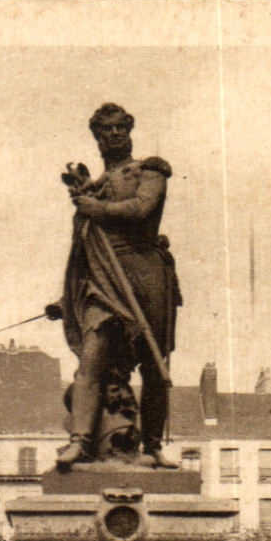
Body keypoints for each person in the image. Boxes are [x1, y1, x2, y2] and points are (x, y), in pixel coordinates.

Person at [48, 103, 181, 468]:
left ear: (130, 130)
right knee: (92, 357)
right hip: (102, 280)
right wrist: (66, 299)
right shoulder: (94, 189)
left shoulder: (150, 171)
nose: (114, 134)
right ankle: (80, 441)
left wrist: (96, 209)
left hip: (144, 271)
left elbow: (141, 209)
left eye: (120, 127)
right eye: (105, 130)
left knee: (154, 363)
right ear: (97, 137)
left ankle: (152, 447)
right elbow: (81, 249)